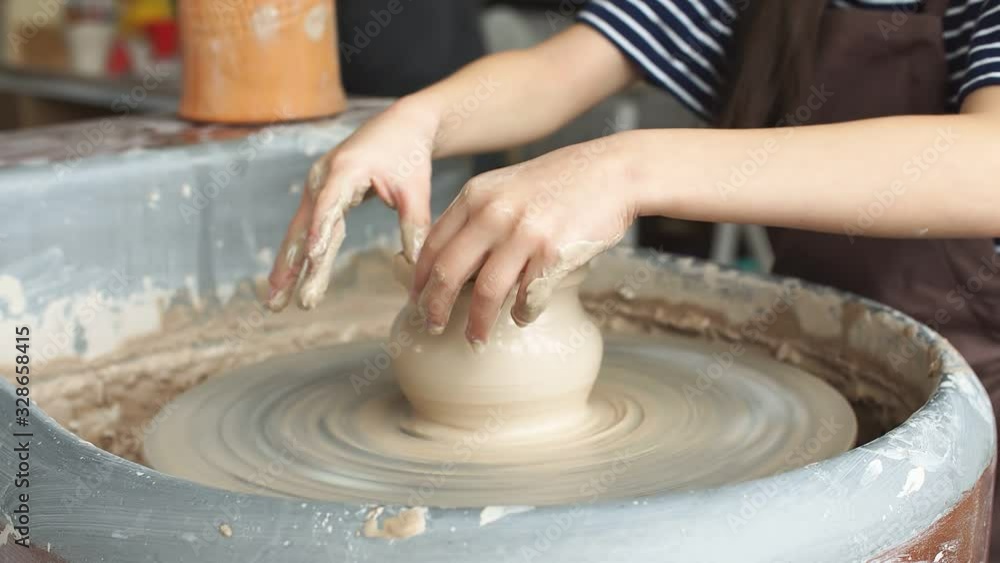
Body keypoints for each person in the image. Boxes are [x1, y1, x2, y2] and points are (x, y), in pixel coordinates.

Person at [267, 0, 1000, 551]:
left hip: (980, 387)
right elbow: (556, 71)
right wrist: (419, 121)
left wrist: (623, 169)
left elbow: (988, 162)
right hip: (833, 355)